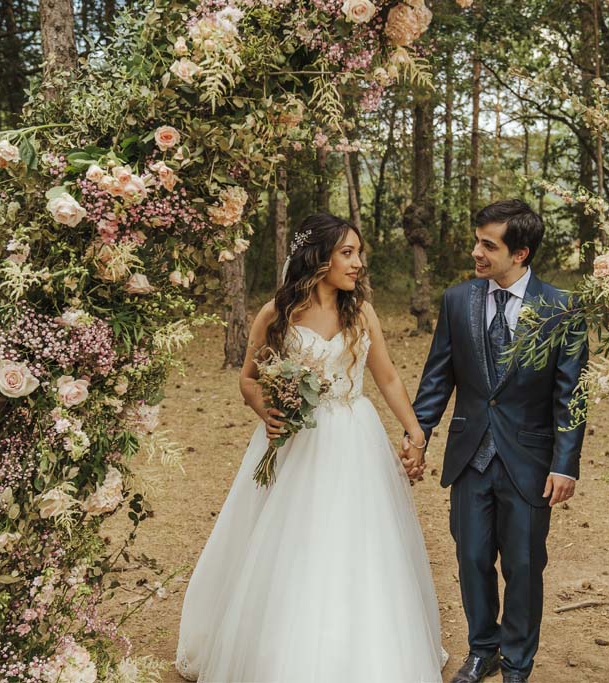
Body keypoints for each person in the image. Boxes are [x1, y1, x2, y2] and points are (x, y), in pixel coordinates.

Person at [175, 212, 446, 682]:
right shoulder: (277, 313)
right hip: (294, 443)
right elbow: (248, 379)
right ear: (317, 257)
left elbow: (386, 376)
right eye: (347, 252)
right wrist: (268, 411)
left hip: (354, 439)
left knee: (358, 544)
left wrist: (415, 431)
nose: (357, 262)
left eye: (358, 253)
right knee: (289, 543)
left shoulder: (359, 312)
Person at [405, 199, 587, 683]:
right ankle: (482, 650)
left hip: (529, 459)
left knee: (525, 564)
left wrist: (565, 464)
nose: (477, 252)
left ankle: (518, 662)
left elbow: (572, 395)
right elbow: (437, 380)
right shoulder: (457, 300)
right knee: (471, 557)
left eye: (489, 245)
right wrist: (419, 436)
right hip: (470, 455)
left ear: (520, 253)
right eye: (478, 241)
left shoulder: (562, 309)